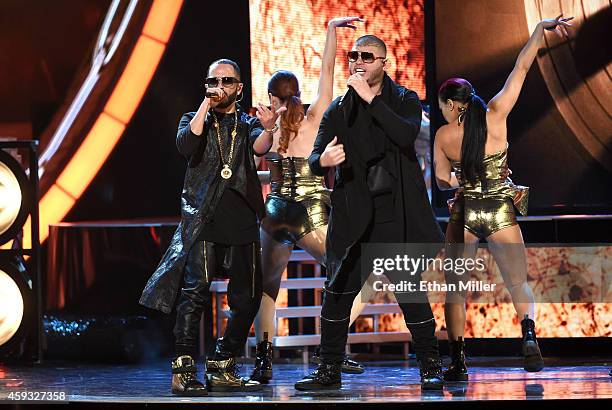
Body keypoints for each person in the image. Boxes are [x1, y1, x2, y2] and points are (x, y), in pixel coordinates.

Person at [294, 34, 445, 391]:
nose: (358, 62)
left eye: (366, 56)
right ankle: (328, 370)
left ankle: (430, 365)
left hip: (393, 212)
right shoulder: (339, 109)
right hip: (353, 215)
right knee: (338, 293)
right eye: (353, 56)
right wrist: (322, 161)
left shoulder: (404, 99)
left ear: (383, 62)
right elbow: (315, 156)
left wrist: (371, 99)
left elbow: (405, 135)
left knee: (410, 293)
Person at [433, 15, 573, 380]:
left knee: (455, 290)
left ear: (452, 104)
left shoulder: (444, 136)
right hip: (499, 210)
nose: (441, 110)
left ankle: (458, 361)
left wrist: (457, 179)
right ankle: (528, 334)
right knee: (517, 282)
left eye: (442, 104)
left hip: (465, 212)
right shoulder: (497, 113)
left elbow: (441, 179)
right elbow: (522, 67)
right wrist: (539, 30)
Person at [139, 58, 284, 395]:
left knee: (247, 299)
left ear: (239, 87)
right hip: (204, 218)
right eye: (213, 80)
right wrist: (207, 103)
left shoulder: (247, 124)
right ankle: (183, 370)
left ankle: (222, 364)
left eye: (227, 81)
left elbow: (260, 147)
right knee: (195, 295)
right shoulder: (193, 118)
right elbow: (186, 145)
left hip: (243, 219)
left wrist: (271, 126)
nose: (220, 86)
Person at [250, 17, 368, 383]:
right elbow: (328, 71)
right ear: (297, 92)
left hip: (274, 213)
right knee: (354, 275)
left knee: (267, 288)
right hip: (311, 213)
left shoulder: (266, 127)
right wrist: (331, 29)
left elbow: (256, 157)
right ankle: (330, 348)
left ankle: (263, 362)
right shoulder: (316, 116)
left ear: (273, 97)